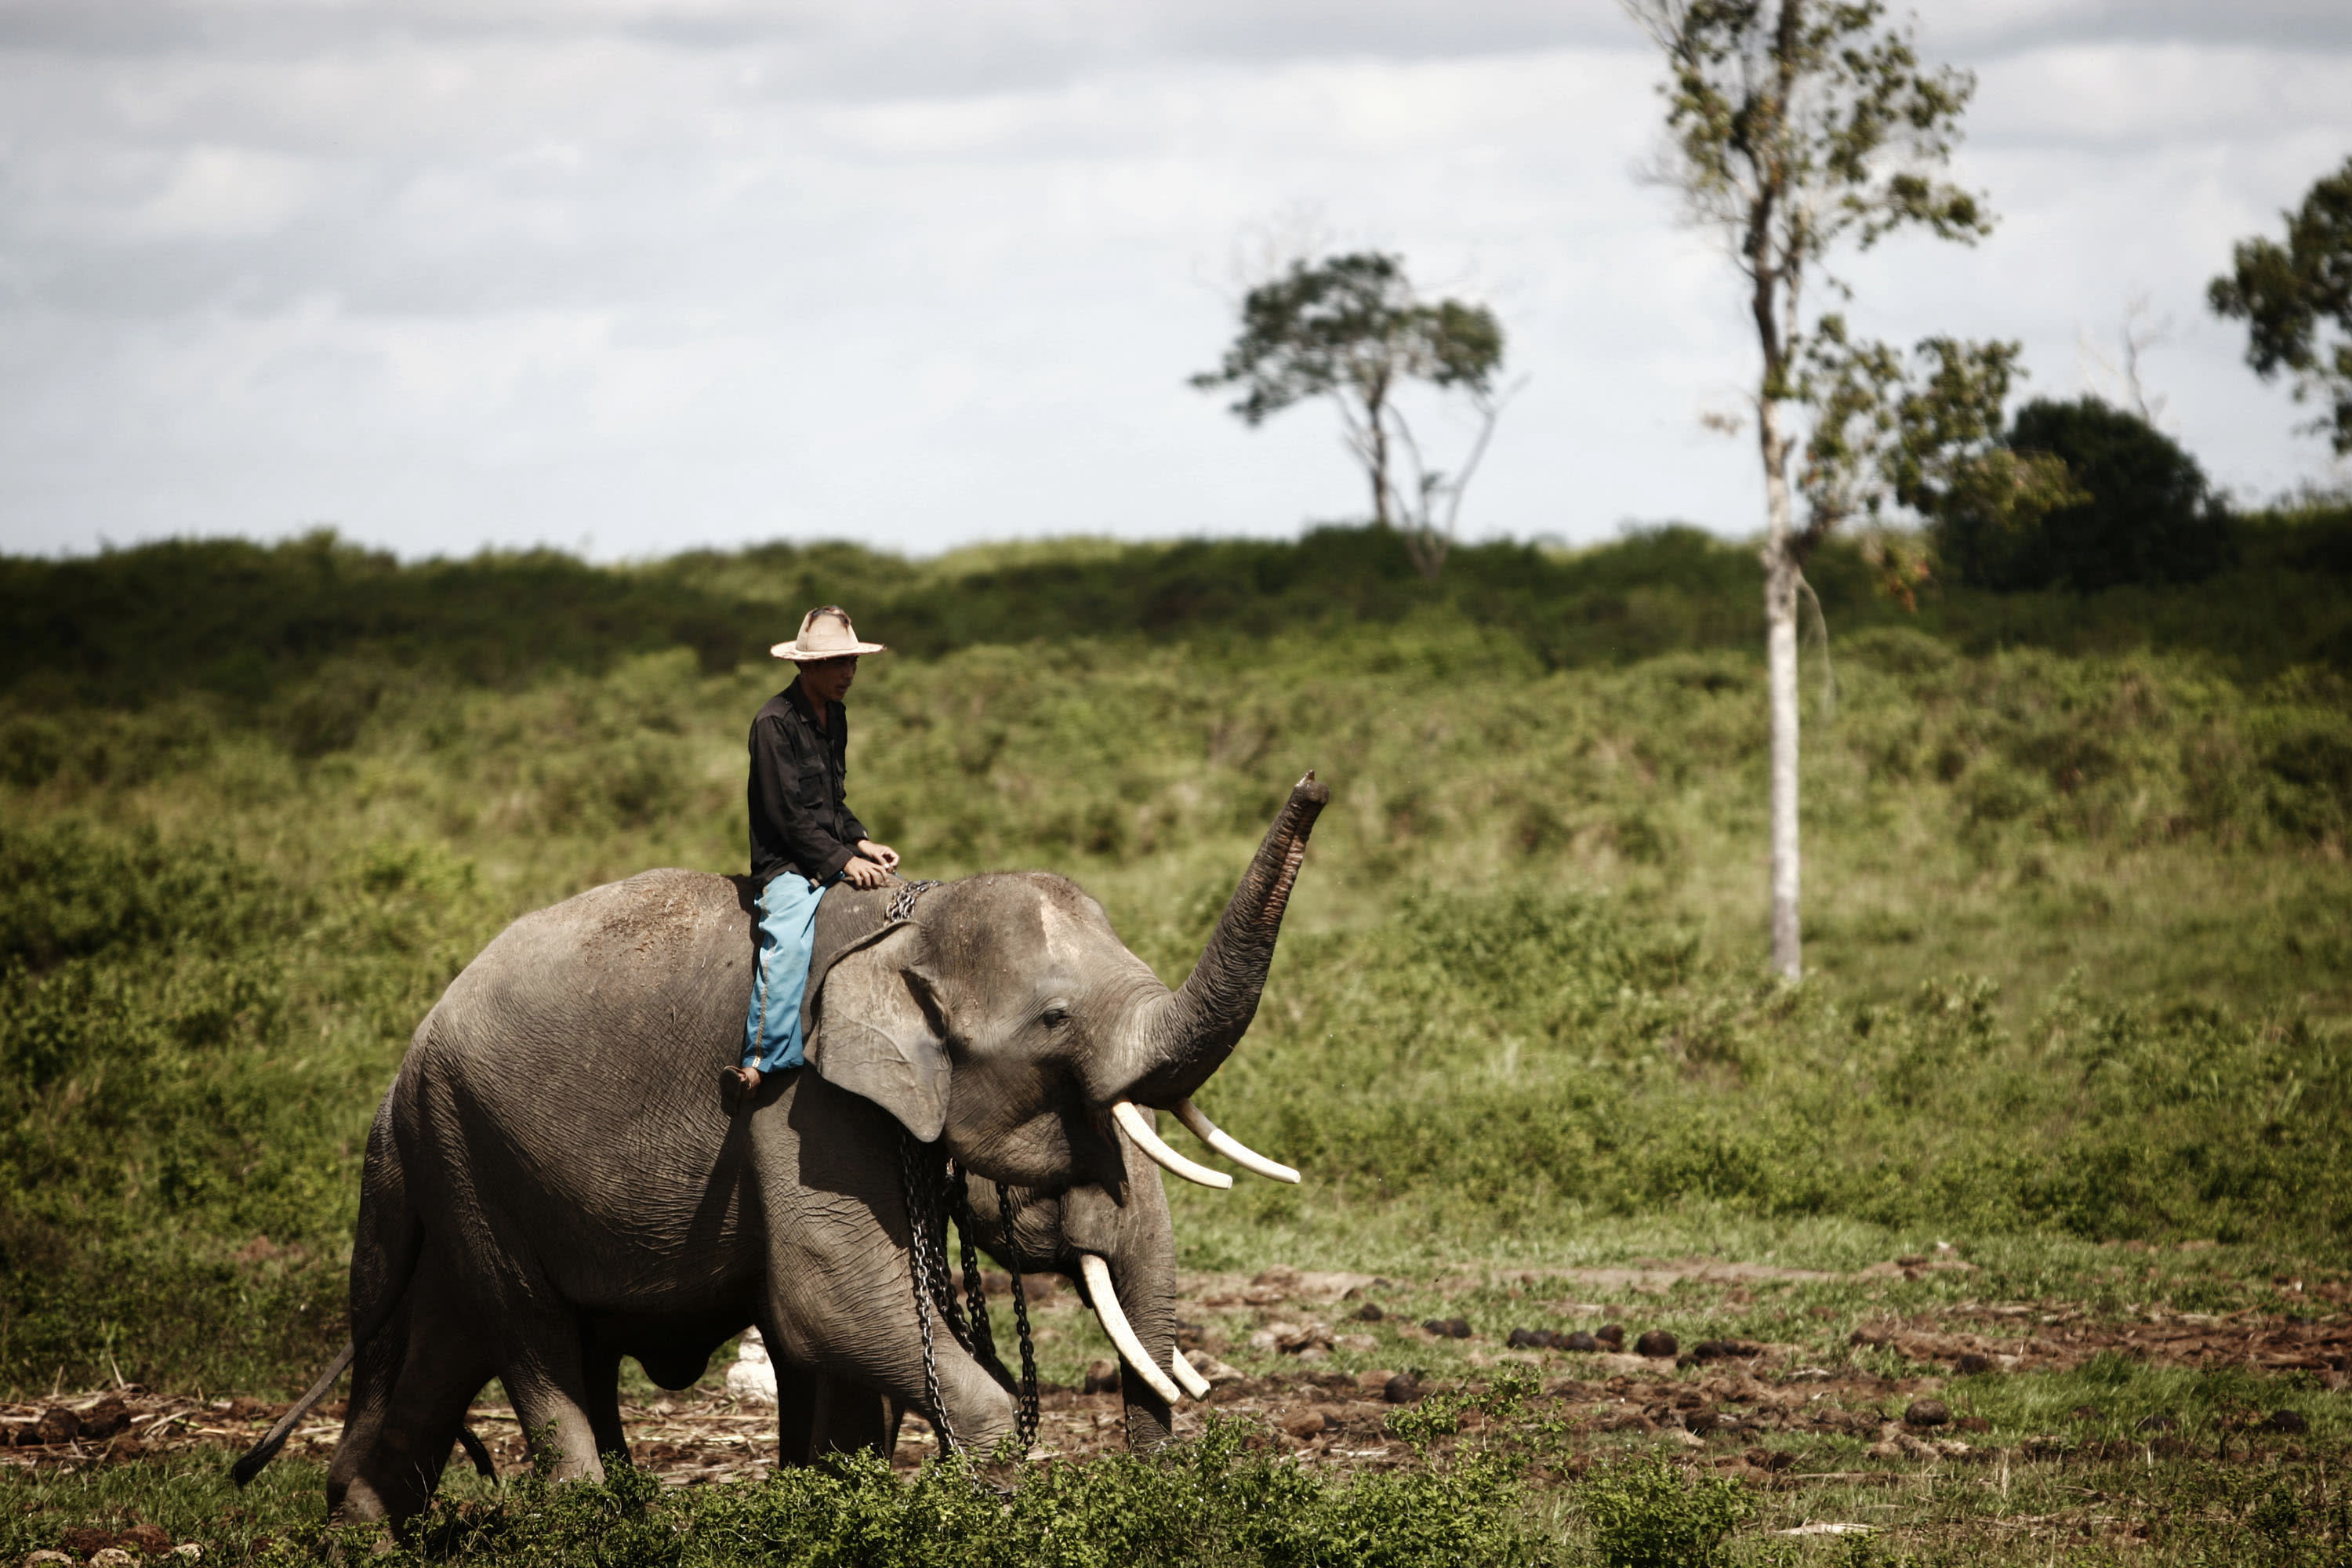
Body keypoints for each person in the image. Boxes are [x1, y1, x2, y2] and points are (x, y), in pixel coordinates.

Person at [730, 605, 901, 1098]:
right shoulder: (773, 724)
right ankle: (760, 1059)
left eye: (853, 663)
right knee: (787, 942)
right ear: (807, 666)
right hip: (787, 862)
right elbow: (787, 815)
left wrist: (863, 841)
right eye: (837, 663)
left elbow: (832, 801)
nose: (848, 673)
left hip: (829, 848)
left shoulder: (837, 716)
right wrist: (843, 861)